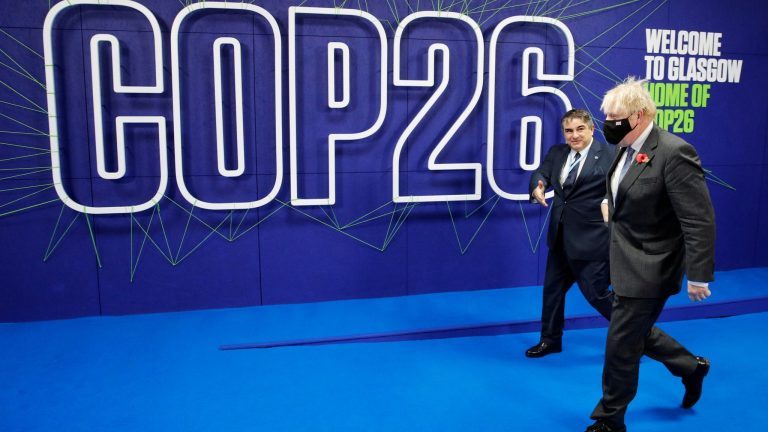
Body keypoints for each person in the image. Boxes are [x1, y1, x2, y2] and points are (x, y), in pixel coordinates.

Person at [586, 77, 716, 432]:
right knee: (634, 332)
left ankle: (609, 419)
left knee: (621, 344)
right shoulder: (624, 147)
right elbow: (626, 190)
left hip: (651, 266)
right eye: (606, 117)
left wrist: (699, 274)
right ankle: (691, 366)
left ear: (639, 116)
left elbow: (698, 219)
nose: (608, 124)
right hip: (620, 258)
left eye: (615, 118)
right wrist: (609, 203)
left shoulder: (675, 153)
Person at [525, 109, 615, 358]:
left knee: (598, 295)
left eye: (579, 129)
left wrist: (609, 202)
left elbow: (621, 189)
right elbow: (541, 173)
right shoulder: (557, 152)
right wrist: (538, 186)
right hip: (560, 238)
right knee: (552, 292)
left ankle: (639, 337)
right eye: (568, 130)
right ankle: (550, 340)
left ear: (592, 129)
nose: (574, 135)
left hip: (592, 241)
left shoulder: (610, 154)